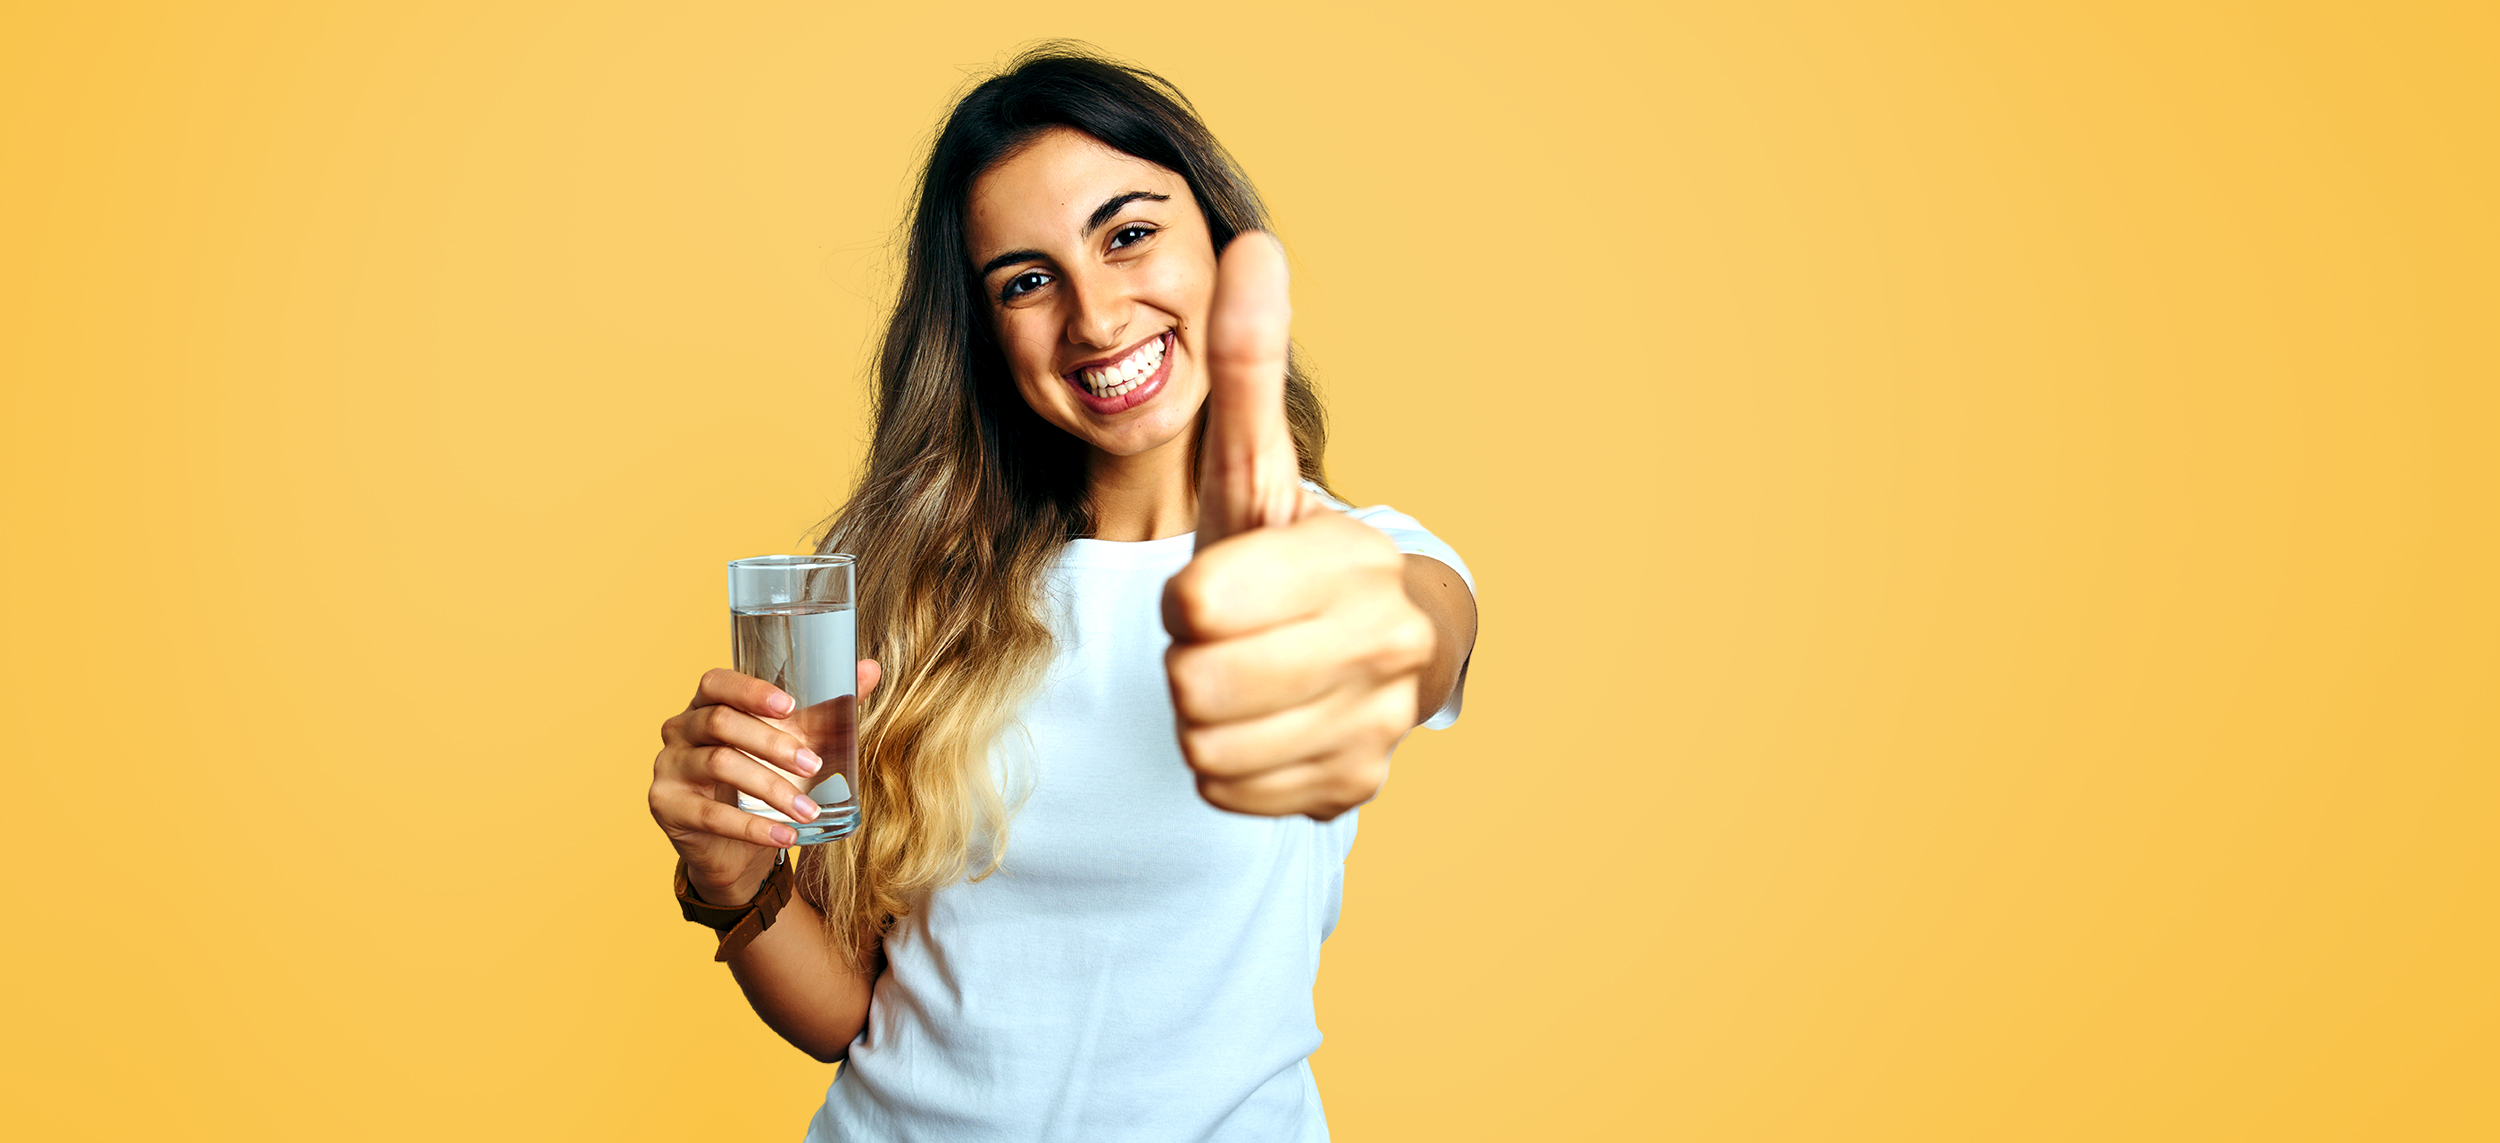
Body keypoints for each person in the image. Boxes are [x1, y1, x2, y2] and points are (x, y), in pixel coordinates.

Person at [646, 45, 1478, 1141]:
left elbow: (1417, 632)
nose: (1094, 318)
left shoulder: (1351, 559)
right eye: (1028, 281)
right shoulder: (905, 575)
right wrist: (732, 873)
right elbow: (848, 1014)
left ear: (1222, 248)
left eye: (1129, 234)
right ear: (987, 334)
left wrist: (1358, 640)